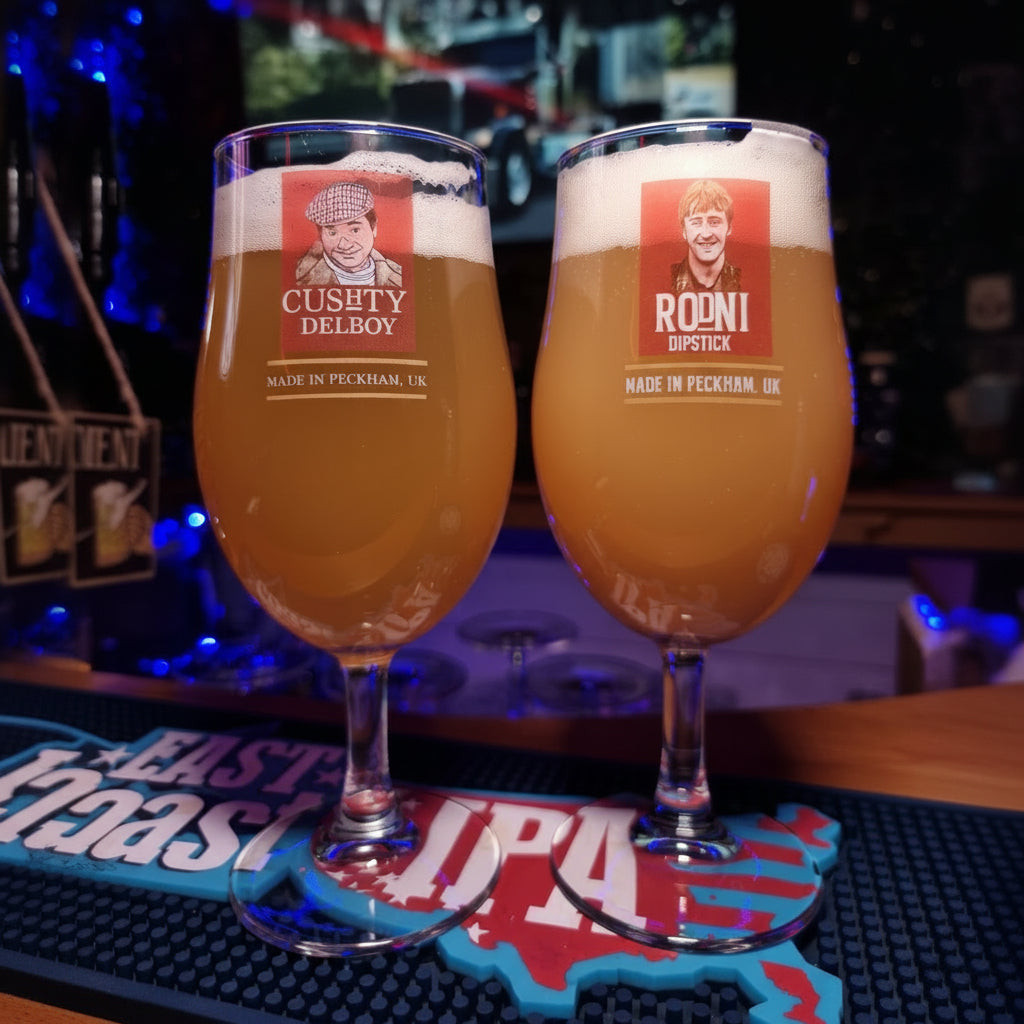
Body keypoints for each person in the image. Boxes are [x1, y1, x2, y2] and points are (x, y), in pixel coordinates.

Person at [296, 181, 403, 288]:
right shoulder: (300, 279)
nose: (344, 245)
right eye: (332, 233)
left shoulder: (398, 276)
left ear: (374, 228)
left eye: (355, 230)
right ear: (321, 235)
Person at [670, 179, 741, 293]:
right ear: (684, 230)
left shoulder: (743, 281)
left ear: (729, 228)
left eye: (714, 222)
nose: (706, 234)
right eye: (696, 223)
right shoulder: (666, 280)